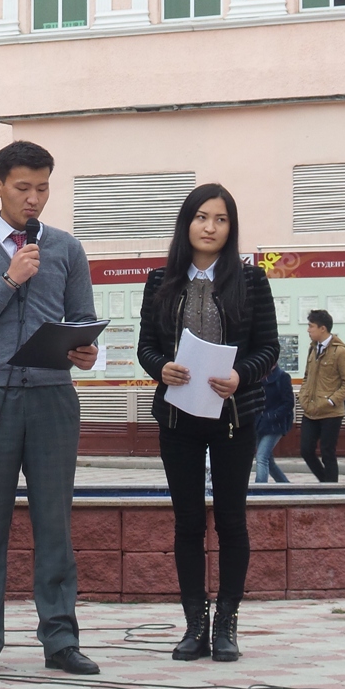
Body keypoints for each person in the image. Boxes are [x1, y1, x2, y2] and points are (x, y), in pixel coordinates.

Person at [0, 141, 100, 677]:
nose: (34, 199)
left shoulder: (67, 249)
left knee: (54, 524)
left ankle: (61, 639)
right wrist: (11, 279)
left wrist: (86, 352)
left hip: (53, 396)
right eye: (23, 188)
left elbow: (82, 322)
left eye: (43, 188)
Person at [137, 183, 279, 663]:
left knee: (232, 521)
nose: (210, 227)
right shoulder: (161, 280)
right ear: (187, 223)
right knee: (188, 523)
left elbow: (269, 348)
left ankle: (226, 625)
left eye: (221, 219)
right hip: (178, 418)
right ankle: (195, 625)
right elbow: (146, 347)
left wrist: (241, 375)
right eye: (201, 217)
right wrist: (161, 368)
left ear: (230, 228)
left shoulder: (251, 280)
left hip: (234, 418)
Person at [298, 309, 345, 483]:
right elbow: (307, 376)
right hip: (310, 410)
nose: (308, 330)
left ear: (322, 328)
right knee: (305, 450)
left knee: (327, 452)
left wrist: (331, 401)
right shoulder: (313, 348)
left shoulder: (340, 352)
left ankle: (331, 489)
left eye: (311, 326)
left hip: (331, 412)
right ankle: (326, 483)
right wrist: (303, 396)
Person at [254, 365, 294, 484]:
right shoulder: (258, 377)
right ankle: (286, 487)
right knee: (268, 461)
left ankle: (260, 489)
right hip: (260, 424)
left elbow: (289, 402)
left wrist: (273, 415)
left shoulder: (282, 376)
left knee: (261, 457)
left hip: (275, 425)